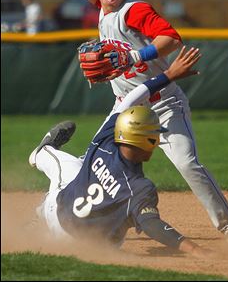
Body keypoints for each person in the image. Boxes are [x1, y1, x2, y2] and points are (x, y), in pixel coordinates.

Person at [61, 0, 228, 241]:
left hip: (162, 104)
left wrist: (137, 55)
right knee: (92, 161)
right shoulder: (104, 6)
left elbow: (171, 38)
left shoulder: (134, 10)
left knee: (187, 163)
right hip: (125, 107)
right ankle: (68, 218)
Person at [29, 47, 214, 258]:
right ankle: (42, 153)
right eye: (154, 136)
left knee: (66, 170)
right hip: (88, 249)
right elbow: (152, 225)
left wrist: (169, 74)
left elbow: (131, 98)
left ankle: (43, 167)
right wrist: (197, 250)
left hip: (57, 217)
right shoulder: (140, 188)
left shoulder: (106, 139)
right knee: (117, 219)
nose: (157, 141)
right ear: (145, 141)